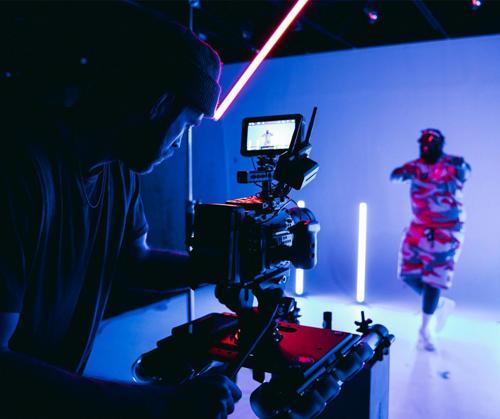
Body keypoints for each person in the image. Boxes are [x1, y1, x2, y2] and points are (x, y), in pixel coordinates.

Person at [0, 3, 241, 418]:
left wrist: (218, 267)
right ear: (159, 104)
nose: (180, 143)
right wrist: (165, 404)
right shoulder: (21, 172)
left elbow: (132, 262)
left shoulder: (119, 173)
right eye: (186, 125)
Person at [391, 128, 471, 351]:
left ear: (440, 145)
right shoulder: (415, 166)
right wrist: (402, 174)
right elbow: (396, 175)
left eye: (430, 143)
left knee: (434, 280)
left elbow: (465, 173)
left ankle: (426, 330)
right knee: (406, 274)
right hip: (420, 226)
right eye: (423, 144)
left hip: (447, 230)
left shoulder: (453, 163)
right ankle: (438, 304)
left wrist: (462, 168)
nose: (425, 147)